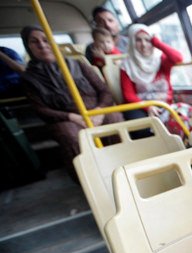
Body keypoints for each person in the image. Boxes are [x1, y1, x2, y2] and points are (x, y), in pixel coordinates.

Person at [20, 26, 122, 179]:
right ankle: (91, 178)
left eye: (45, 40)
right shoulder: (30, 78)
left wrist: (99, 111)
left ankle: (123, 164)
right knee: (71, 136)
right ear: (28, 47)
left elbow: (104, 91)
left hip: (96, 110)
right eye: (35, 42)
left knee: (115, 118)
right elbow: (41, 110)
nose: (42, 45)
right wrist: (73, 117)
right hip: (67, 118)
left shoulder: (78, 64)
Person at [120, 23, 192, 139]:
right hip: (141, 105)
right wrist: (148, 107)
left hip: (165, 105)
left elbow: (178, 58)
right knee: (143, 129)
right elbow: (128, 95)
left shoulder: (160, 60)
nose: (143, 45)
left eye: (147, 40)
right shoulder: (127, 65)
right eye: (138, 40)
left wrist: (157, 43)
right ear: (132, 43)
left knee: (189, 116)